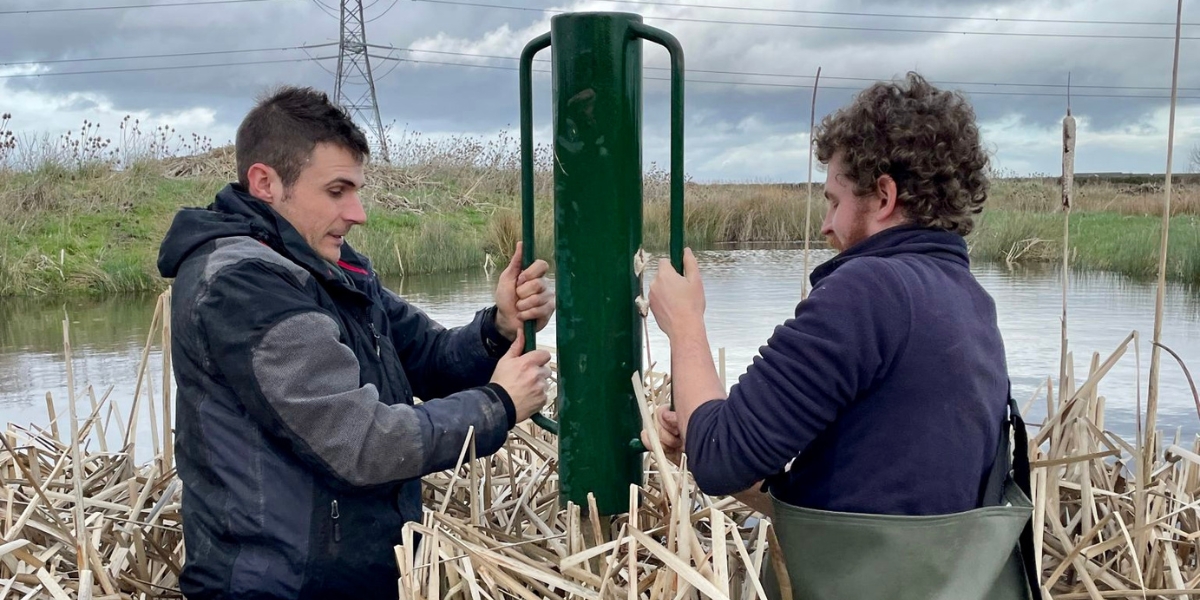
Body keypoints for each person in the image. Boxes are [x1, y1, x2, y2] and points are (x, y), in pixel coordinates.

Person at [643, 73, 1039, 599]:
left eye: (833, 200)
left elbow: (720, 456)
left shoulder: (870, 291)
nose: (826, 225)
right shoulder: (967, 302)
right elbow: (865, 506)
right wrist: (701, 428)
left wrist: (685, 326)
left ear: (883, 195)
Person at [156, 86, 555, 599]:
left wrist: (497, 327)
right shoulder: (243, 286)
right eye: (337, 191)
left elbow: (430, 360)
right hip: (278, 588)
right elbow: (360, 442)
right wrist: (496, 405)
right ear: (265, 183)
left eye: (357, 190)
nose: (358, 212)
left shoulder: (333, 270)